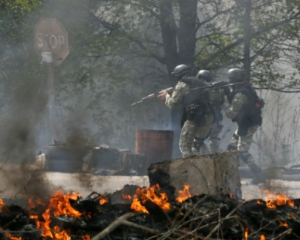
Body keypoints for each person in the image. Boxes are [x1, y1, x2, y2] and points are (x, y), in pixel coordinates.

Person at [157, 64, 214, 158]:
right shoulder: (199, 82)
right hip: (207, 116)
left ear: (179, 75)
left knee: (185, 146)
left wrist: (166, 96)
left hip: (194, 117)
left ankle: (191, 169)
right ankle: (210, 164)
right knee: (198, 143)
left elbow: (172, 104)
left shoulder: (182, 84)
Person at [223, 68, 265, 183]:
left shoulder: (240, 93)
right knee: (231, 147)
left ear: (233, 79)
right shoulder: (245, 88)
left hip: (248, 124)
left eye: (229, 79)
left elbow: (232, 113)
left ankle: (259, 174)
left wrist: (223, 104)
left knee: (242, 151)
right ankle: (227, 174)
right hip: (246, 122)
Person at [195, 70, 225, 153]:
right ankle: (214, 156)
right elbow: (222, 101)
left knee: (198, 141)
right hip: (216, 116)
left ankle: (206, 157)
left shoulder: (201, 88)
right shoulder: (218, 88)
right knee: (214, 138)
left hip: (205, 117)